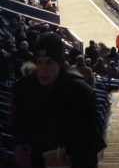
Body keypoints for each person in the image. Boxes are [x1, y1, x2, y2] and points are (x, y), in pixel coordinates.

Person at [11, 32, 106, 168]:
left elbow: (91, 143)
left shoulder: (81, 92)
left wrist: (73, 159)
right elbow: (17, 126)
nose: (43, 69)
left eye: (49, 63)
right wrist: (18, 146)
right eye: (39, 63)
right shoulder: (22, 89)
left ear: (60, 63)